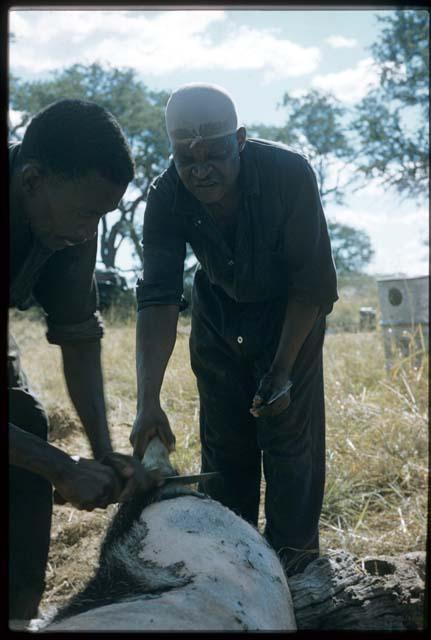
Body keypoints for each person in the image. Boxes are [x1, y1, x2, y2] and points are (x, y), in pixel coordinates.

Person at [131, 83, 338, 576]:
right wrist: (147, 403)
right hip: (217, 318)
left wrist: (283, 369)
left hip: (290, 317)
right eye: (187, 158)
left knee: (291, 450)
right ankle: (234, 576)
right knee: (225, 457)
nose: (201, 169)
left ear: (240, 139)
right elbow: (158, 298)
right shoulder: (164, 196)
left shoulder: (289, 174)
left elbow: (311, 287)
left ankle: (296, 576)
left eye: (215, 154)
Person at [9, 99, 161, 624]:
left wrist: (102, 455)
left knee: (23, 420)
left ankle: (17, 616)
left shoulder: (67, 221)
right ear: (32, 180)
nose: (87, 231)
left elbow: (78, 338)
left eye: (101, 215)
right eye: (84, 213)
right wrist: (60, 467)